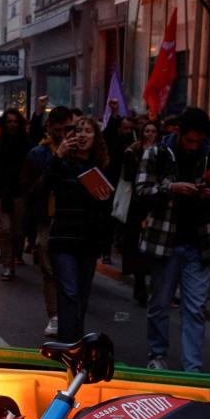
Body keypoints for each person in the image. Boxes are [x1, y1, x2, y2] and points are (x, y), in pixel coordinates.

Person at [136, 107, 210, 372]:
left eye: (198, 142)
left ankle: (193, 367)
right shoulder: (157, 154)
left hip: (200, 244)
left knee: (195, 308)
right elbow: (141, 191)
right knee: (160, 304)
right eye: (189, 141)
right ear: (179, 133)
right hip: (165, 243)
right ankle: (158, 354)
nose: (193, 146)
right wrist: (170, 189)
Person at [39, 116, 114, 342]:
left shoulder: (100, 167)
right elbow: (43, 187)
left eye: (88, 131)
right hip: (63, 236)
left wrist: (102, 200)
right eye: (78, 131)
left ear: (95, 137)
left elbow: (107, 207)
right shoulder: (63, 164)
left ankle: (76, 341)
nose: (82, 135)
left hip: (88, 239)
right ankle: (67, 342)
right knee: (69, 292)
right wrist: (58, 155)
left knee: (81, 294)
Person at [25, 106, 75, 336]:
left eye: (70, 128)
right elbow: (34, 188)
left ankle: (70, 315)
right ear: (51, 127)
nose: (66, 133)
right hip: (47, 217)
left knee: (70, 271)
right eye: (61, 129)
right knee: (48, 267)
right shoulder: (39, 153)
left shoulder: (79, 151)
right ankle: (54, 315)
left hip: (70, 216)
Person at [0, 108, 32, 281]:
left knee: (18, 231)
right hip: (1, 191)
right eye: (9, 122)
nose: (12, 125)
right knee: (5, 229)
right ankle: (7, 264)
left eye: (15, 122)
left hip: (20, 191)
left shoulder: (26, 144)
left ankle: (12, 256)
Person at [120, 120, 159, 306]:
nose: (150, 134)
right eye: (147, 131)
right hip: (136, 206)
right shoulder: (132, 152)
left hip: (154, 204)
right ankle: (140, 285)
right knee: (137, 246)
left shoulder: (163, 153)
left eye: (153, 131)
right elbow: (128, 177)